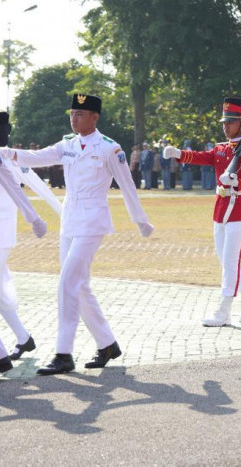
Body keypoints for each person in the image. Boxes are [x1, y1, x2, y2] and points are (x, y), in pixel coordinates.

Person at [0, 94, 155, 375]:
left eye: (80, 114)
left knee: (68, 281)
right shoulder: (67, 145)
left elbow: (127, 185)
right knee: (80, 286)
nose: (74, 119)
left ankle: (63, 353)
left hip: (93, 222)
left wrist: (141, 221)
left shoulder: (110, 148)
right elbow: (37, 157)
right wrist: (8, 152)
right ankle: (107, 343)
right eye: (72, 114)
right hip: (70, 221)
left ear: (94, 118)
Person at [163, 97, 241, 326]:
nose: (226, 126)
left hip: (240, 210)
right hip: (221, 210)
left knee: (230, 261)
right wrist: (178, 153)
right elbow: (203, 157)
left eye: (231, 122)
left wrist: (238, 182)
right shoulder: (220, 148)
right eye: (224, 122)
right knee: (227, 261)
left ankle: (224, 310)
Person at [0, 112, 56, 373]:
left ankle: (1, 358)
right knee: (1, 294)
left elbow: (19, 187)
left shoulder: (6, 157)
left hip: (1, 233)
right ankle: (24, 339)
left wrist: (36, 219)